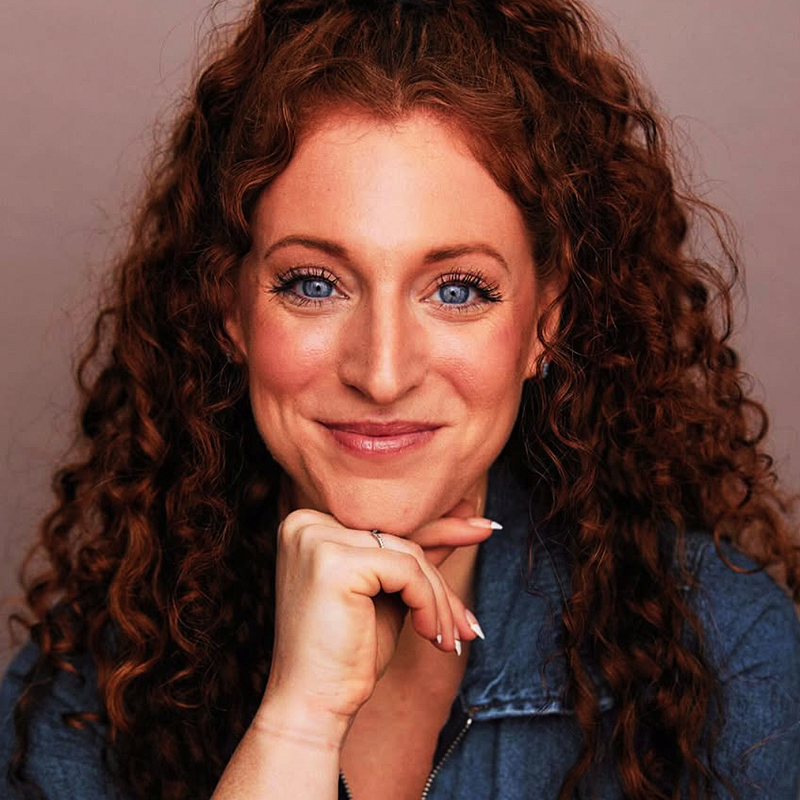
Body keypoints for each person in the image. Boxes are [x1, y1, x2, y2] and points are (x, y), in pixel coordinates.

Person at [1, 0, 799, 798]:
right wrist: (297, 723)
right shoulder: (85, 697)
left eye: (457, 290)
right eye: (314, 284)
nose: (382, 374)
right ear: (229, 310)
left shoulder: (726, 654)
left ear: (544, 322)